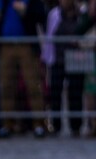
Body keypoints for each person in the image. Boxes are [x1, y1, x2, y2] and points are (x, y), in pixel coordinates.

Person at [0, 0, 46, 136]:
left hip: (26, 45)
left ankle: (39, 123)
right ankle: (8, 124)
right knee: (6, 86)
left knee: (33, 85)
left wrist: (26, 12)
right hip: (6, 45)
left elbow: (41, 16)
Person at [43, 0, 84, 134]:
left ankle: (76, 126)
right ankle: (56, 125)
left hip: (76, 59)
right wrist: (47, 58)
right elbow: (49, 36)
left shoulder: (80, 13)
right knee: (55, 94)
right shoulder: (54, 14)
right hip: (58, 59)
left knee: (75, 93)